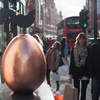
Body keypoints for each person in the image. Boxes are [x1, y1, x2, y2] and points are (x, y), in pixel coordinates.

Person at [68, 33, 90, 100]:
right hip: (76, 72)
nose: (82, 40)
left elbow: (89, 62)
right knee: (76, 91)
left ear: (85, 40)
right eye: (80, 38)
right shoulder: (73, 49)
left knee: (83, 92)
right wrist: (70, 75)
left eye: (83, 38)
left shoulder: (88, 49)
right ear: (78, 39)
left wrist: (89, 73)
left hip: (85, 72)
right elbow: (71, 62)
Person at [86, 36, 100, 100]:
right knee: (95, 94)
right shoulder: (94, 46)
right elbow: (90, 61)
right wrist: (92, 73)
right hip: (96, 75)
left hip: (95, 74)